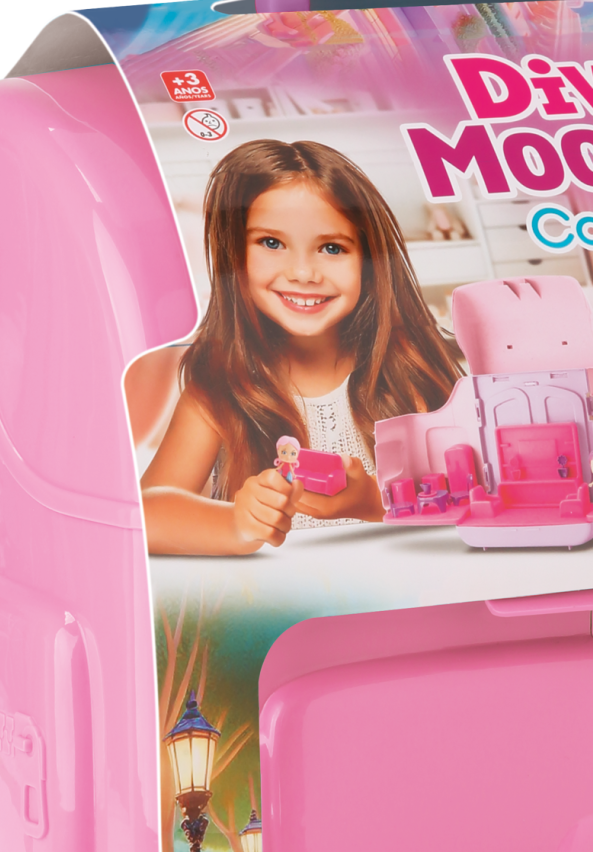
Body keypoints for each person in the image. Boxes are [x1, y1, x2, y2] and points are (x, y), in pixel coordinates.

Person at [140, 140, 461, 555]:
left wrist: (375, 502)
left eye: (332, 248)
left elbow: (475, 501)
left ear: (369, 260)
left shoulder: (408, 368)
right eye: (272, 243)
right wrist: (236, 523)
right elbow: (143, 516)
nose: (304, 273)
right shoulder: (220, 386)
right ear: (234, 253)